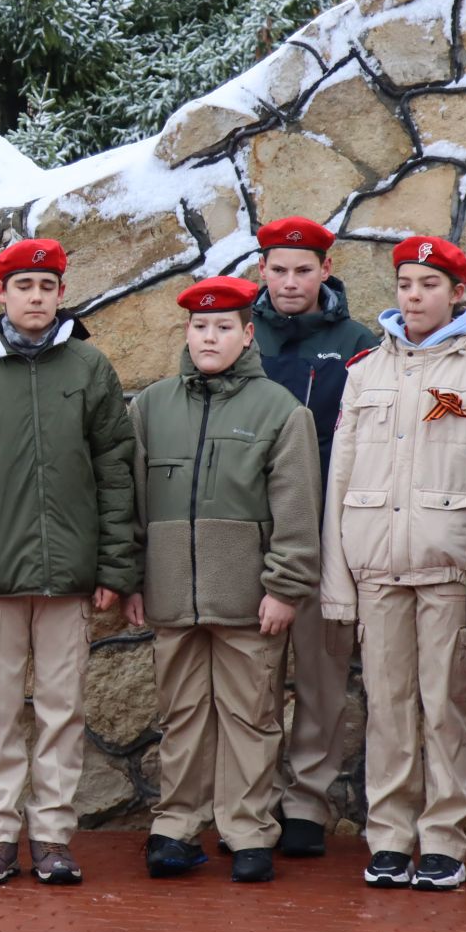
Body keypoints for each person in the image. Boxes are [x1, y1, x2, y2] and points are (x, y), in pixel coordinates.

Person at [0, 239, 137, 887]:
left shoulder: (90, 369)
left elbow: (117, 473)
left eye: (47, 286)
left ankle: (51, 837)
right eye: (24, 286)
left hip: (71, 577)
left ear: (61, 293)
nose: (36, 297)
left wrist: (113, 568)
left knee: (62, 709)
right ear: (4, 294)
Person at [321, 237, 466, 891]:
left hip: (447, 569)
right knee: (386, 705)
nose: (414, 295)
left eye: (429, 284)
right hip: (376, 565)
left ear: (457, 292)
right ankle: (390, 835)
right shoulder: (364, 373)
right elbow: (338, 481)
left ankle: (442, 836)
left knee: (445, 705)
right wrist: (336, 582)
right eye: (406, 283)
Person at [127, 276, 321, 884]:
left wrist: (286, 587)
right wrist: (132, 578)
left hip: (249, 600)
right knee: (179, 716)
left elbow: (295, 508)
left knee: (251, 716)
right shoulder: (150, 407)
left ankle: (248, 830)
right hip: (170, 595)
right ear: (186, 332)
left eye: (222, 327)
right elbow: (130, 502)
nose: (209, 337)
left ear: (246, 334)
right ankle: (174, 828)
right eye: (199, 327)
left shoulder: (282, 411)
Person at [250, 216, 378, 857]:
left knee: (323, 674)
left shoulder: (357, 342)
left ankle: (306, 802)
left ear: (326, 270)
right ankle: (250, 802)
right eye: (279, 269)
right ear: (262, 271)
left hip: (327, 532)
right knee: (251, 676)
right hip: (248, 534)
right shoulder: (238, 336)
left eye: (304, 270)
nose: (290, 282)